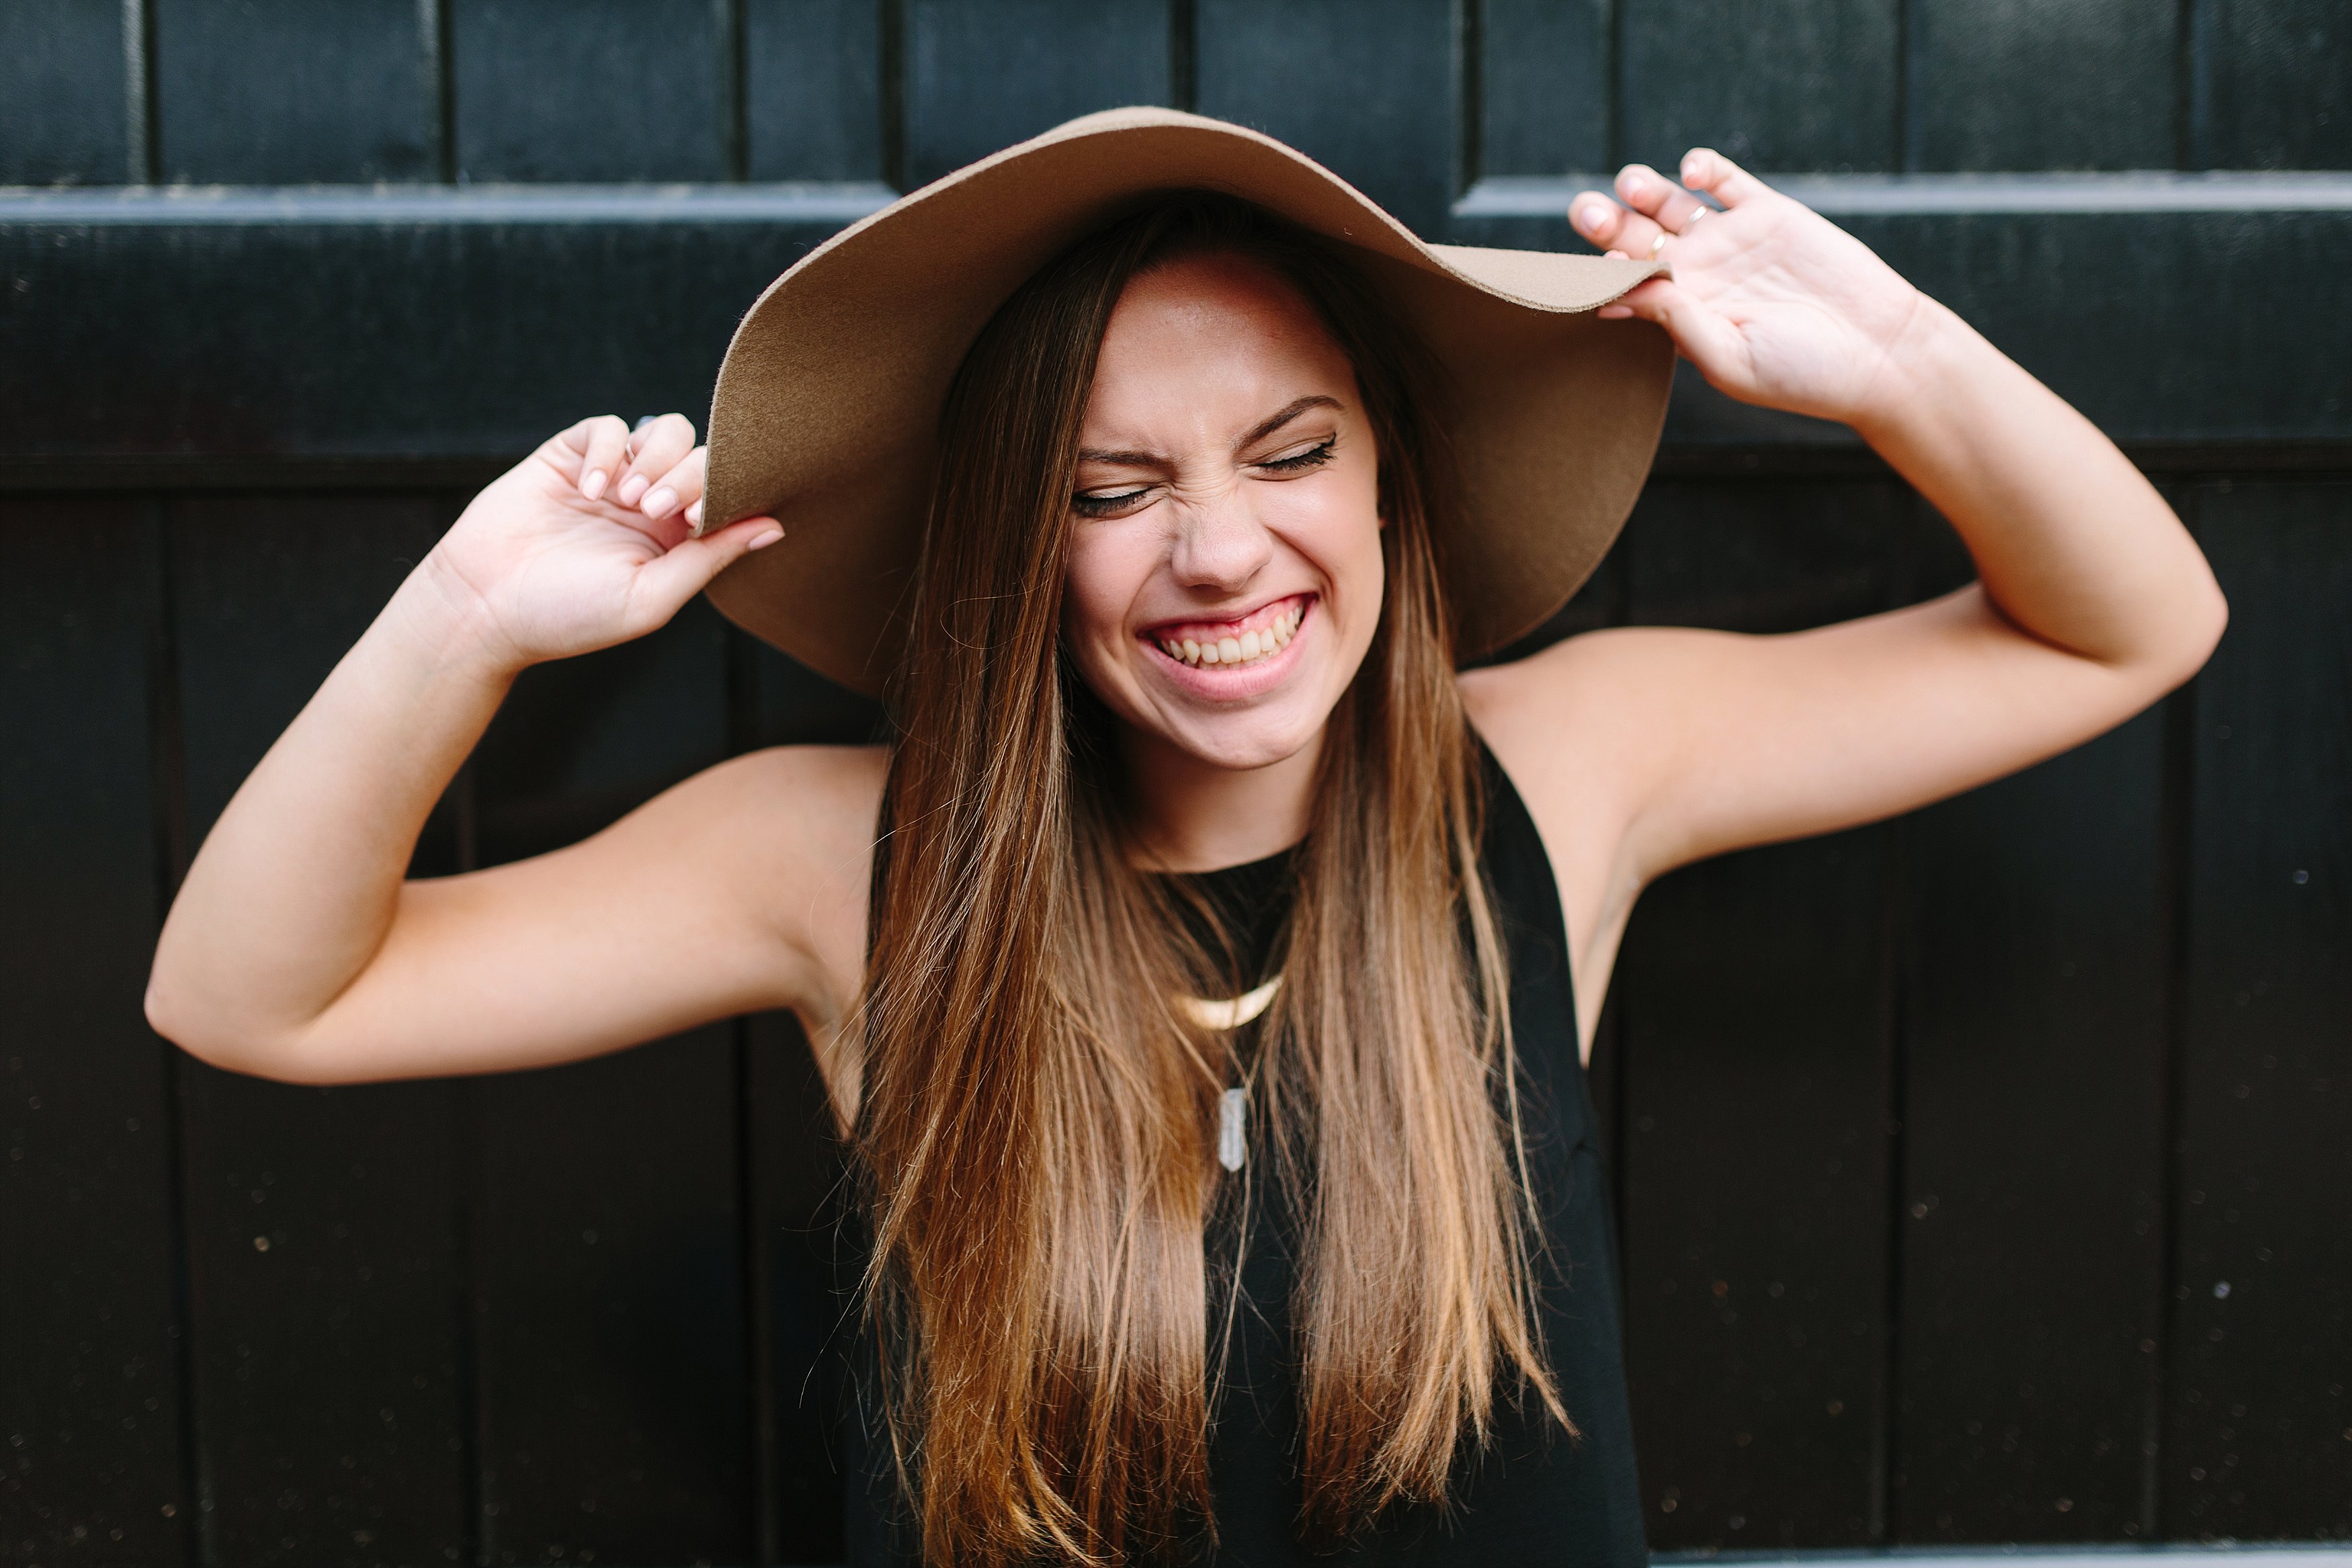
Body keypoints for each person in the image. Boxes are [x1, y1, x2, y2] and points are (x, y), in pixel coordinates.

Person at [146, 110, 2224, 1567]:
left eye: (1292, 452)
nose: (1221, 549)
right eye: (1110, 486)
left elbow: (2130, 627)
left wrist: (1901, 370)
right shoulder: (835, 859)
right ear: (1010, 552)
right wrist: (462, 626)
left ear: (1394, 486)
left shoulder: (1570, 761)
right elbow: (252, 998)